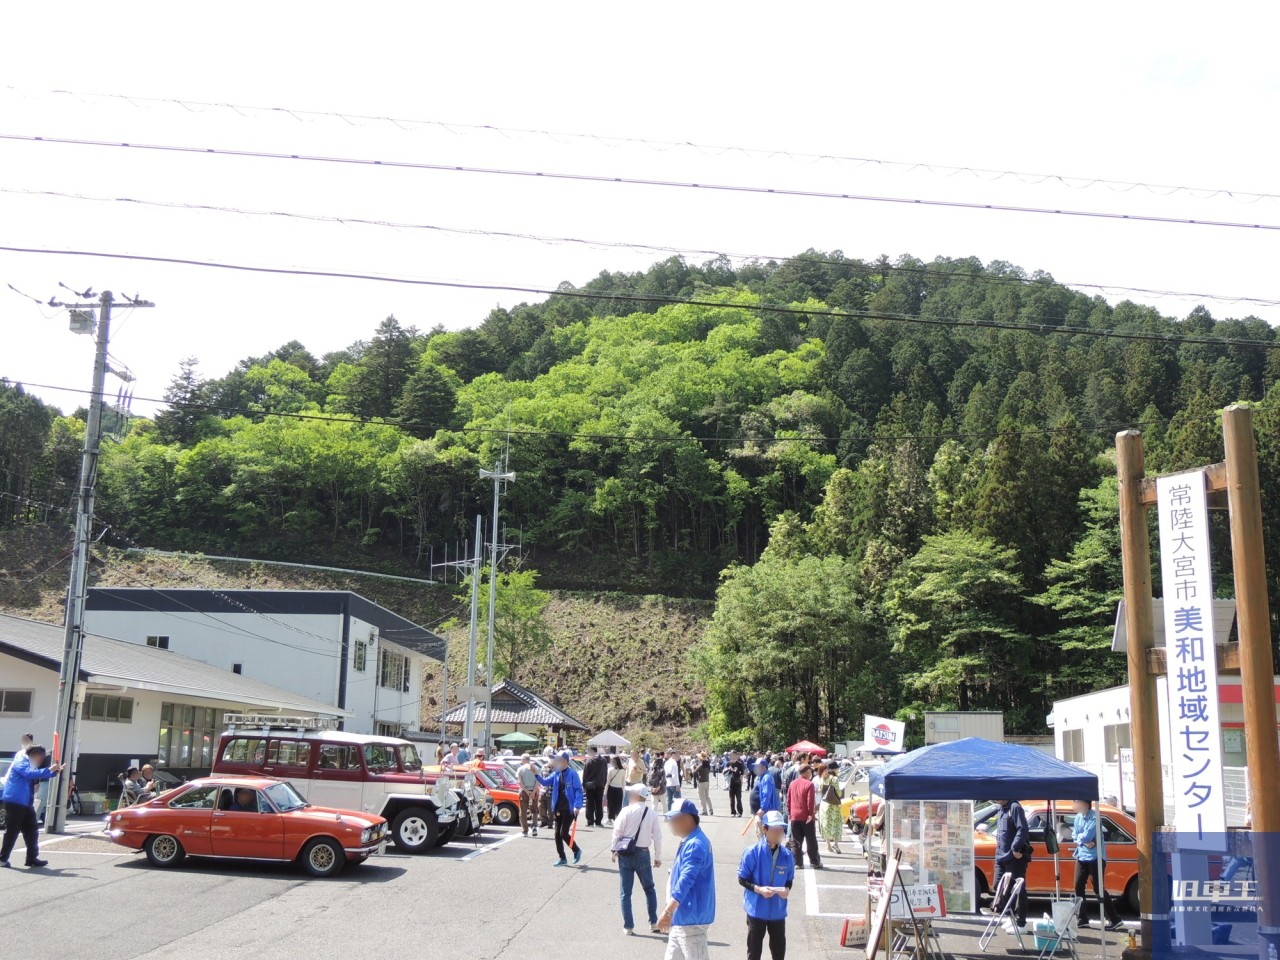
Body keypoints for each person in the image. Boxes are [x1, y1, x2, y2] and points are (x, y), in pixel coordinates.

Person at [659, 798, 716, 960]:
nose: (670, 822)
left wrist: (668, 911)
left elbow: (686, 881)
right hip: (683, 919)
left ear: (687, 819)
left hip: (691, 920)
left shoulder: (695, 844)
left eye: (673, 818)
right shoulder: (691, 840)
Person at [739, 810, 795, 960]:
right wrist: (758, 889)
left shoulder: (787, 856)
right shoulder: (752, 852)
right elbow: (742, 878)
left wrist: (787, 889)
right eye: (775, 829)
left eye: (781, 829)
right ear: (765, 829)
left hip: (778, 911)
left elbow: (789, 879)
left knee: (778, 952)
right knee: (754, 952)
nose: (779, 833)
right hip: (756, 910)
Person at [613, 783, 664, 935]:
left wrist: (613, 850)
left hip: (625, 853)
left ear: (636, 795)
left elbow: (617, 832)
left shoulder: (626, 811)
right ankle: (653, 922)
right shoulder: (652, 813)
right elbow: (658, 837)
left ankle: (628, 926)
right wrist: (658, 856)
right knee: (649, 889)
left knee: (625, 892)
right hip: (643, 853)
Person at [1, 744, 63, 868]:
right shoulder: (21, 761)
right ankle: (2, 859)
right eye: (40, 757)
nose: (41, 760)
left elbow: (35, 774)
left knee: (32, 830)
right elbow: (28, 774)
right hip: (15, 801)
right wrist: (50, 770)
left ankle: (32, 858)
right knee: (12, 831)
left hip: (26, 802)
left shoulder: (30, 764)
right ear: (34, 755)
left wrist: (54, 772)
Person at [1071, 800, 1122, 929]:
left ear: (1086, 803)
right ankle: (1082, 919)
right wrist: (1084, 842)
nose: (1075, 805)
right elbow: (1074, 835)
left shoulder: (1094, 817)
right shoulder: (1078, 817)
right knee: (1078, 886)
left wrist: (1082, 839)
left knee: (1098, 889)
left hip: (1096, 857)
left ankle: (1114, 919)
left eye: (1077, 802)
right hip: (1081, 855)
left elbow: (1088, 835)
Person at [536, 750, 584, 866]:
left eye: (558, 760)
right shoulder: (556, 773)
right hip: (557, 808)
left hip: (569, 808)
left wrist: (577, 806)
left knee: (563, 833)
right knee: (557, 834)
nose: (556, 762)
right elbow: (545, 782)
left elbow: (578, 790)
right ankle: (562, 858)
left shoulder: (573, 774)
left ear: (565, 761)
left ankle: (576, 850)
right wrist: (535, 774)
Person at [992, 799, 1032, 932]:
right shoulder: (1000, 809)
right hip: (1001, 855)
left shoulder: (1014, 807)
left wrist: (1015, 848)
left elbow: (1023, 828)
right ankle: (1010, 916)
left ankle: (1022, 923)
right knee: (999, 886)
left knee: (1018, 889)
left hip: (1015, 856)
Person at [786, 764, 821, 869]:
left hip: (794, 816)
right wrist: (811, 814)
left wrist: (789, 813)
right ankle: (814, 861)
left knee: (796, 840)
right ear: (807, 772)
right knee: (811, 840)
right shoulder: (809, 784)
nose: (811, 774)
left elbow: (788, 800)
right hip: (806, 816)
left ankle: (798, 862)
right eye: (810, 772)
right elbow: (810, 801)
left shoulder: (792, 783)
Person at [818, 762, 844, 855]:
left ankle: (828, 845)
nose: (838, 770)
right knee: (836, 824)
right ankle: (836, 844)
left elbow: (820, 790)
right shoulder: (835, 779)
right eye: (837, 768)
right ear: (834, 769)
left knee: (826, 824)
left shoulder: (822, 778)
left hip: (824, 804)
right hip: (834, 805)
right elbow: (838, 793)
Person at [583, 746, 608, 828]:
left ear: (591, 751)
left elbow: (585, 774)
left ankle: (590, 821)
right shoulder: (603, 760)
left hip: (590, 784)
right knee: (599, 803)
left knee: (590, 803)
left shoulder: (589, 760)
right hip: (600, 784)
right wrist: (604, 783)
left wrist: (584, 784)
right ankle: (598, 821)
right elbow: (605, 773)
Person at [516, 753, 539, 837]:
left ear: (525, 760)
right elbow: (538, 781)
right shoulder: (535, 768)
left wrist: (526, 791)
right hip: (534, 791)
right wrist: (533, 791)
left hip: (524, 792)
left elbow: (520, 782)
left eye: (521, 760)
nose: (521, 761)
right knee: (534, 810)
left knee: (523, 812)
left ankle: (525, 830)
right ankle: (534, 826)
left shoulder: (520, 769)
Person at [606, 755, 626, 825]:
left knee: (611, 804)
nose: (612, 763)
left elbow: (607, 782)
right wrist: (623, 792)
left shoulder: (611, 770)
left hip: (611, 789)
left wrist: (605, 791)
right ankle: (617, 818)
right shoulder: (623, 770)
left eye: (612, 761)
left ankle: (610, 818)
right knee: (618, 804)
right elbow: (623, 783)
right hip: (619, 789)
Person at [726, 751, 746, 818]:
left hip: (738, 782)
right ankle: (733, 812)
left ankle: (740, 812)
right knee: (732, 799)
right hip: (731, 783)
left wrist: (741, 782)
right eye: (731, 755)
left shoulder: (740, 763)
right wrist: (728, 770)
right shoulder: (728, 763)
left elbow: (742, 774)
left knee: (738, 798)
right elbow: (725, 774)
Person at [694, 752, 714, 817]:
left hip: (701, 782)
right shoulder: (708, 765)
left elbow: (694, 772)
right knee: (707, 797)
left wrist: (694, 767)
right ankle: (711, 809)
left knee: (702, 797)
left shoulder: (701, 765)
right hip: (707, 782)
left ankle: (704, 810)